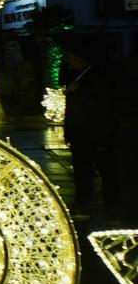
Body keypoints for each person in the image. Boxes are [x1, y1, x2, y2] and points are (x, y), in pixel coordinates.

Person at [59, 33, 138, 220]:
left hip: (96, 132)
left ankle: (111, 204)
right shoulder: (79, 74)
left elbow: (103, 105)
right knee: (82, 170)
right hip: (81, 132)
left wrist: (79, 92)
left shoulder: (100, 76)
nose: (67, 59)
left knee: (105, 169)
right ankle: (84, 202)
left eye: (70, 55)